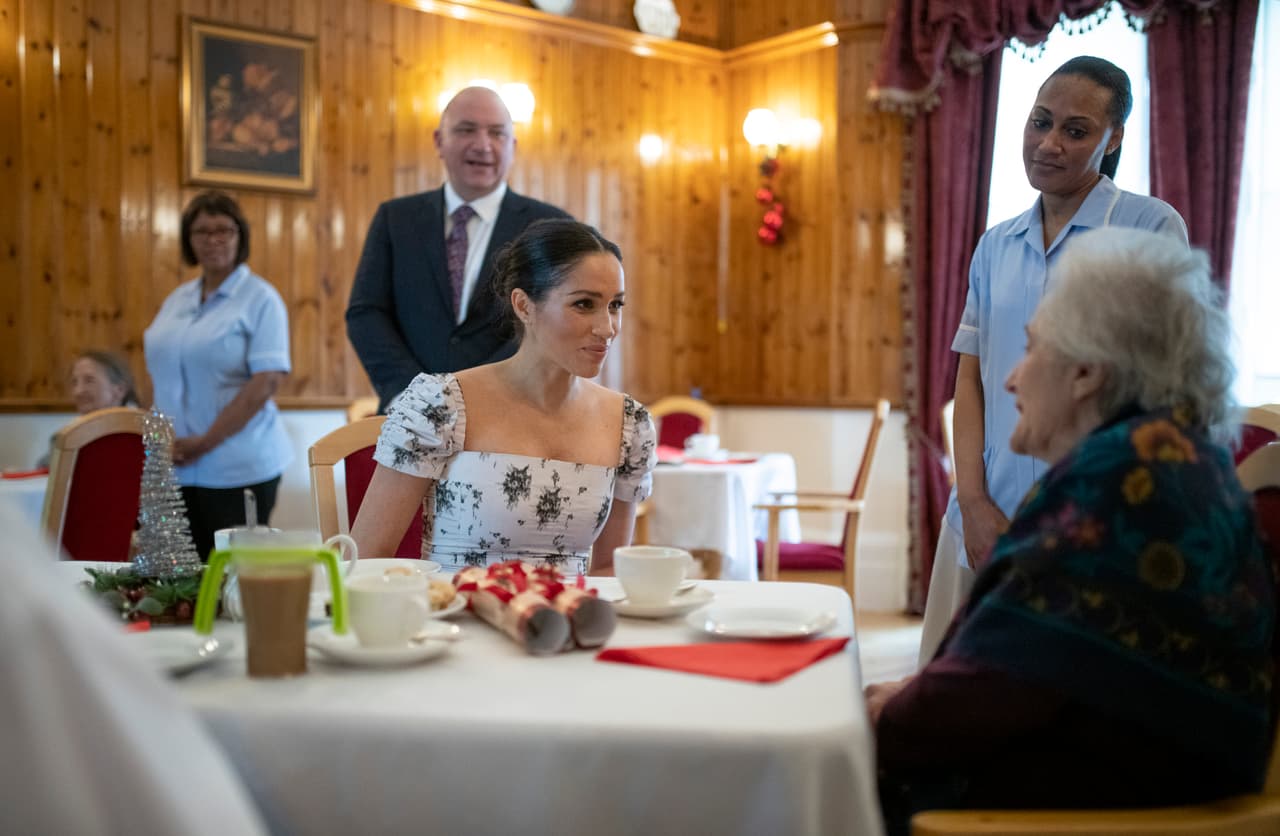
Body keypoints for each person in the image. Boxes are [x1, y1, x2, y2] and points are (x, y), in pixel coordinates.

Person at [871, 228, 1275, 835]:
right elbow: (1038, 666)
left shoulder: (1114, 486)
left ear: (1086, 372)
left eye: (1032, 348)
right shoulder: (1181, 460)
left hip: (1075, 820)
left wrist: (884, 712)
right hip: (1165, 793)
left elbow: (971, 701)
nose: (1011, 379)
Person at [919, 56, 1190, 662]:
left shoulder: (1147, 227)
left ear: (1112, 139)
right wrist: (972, 502)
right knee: (955, 690)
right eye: (1040, 121)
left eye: (1076, 130)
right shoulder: (995, 244)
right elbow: (972, 377)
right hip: (986, 510)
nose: (1049, 143)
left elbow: (1164, 392)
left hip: (1097, 521)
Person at [351, 219, 656, 576]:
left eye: (615, 305)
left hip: (570, 610)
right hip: (456, 607)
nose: (607, 328)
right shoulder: (442, 404)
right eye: (584, 304)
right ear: (524, 305)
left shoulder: (629, 424)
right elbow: (368, 556)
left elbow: (608, 569)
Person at [346, 86, 572, 412]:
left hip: (514, 414)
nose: (482, 145)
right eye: (466, 130)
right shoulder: (395, 219)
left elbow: (554, 321)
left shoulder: (552, 227)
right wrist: (414, 395)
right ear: (439, 141)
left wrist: (478, 395)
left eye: (497, 133)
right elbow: (366, 313)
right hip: (409, 414)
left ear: (513, 146)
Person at [144, 191, 292, 561]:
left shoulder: (261, 299)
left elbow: (266, 382)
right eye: (202, 232)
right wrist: (162, 442)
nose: (213, 240)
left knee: (232, 577)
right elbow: (162, 372)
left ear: (240, 236)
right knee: (178, 578)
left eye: (224, 230)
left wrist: (205, 442)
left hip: (236, 467)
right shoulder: (177, 299)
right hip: (175, 466)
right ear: (188, 240)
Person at [35, 350, 141, 469]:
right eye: (74, 382)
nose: (78, 391)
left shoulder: (145, 436)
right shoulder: (65, 438)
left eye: (89, 380)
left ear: (120, 389)